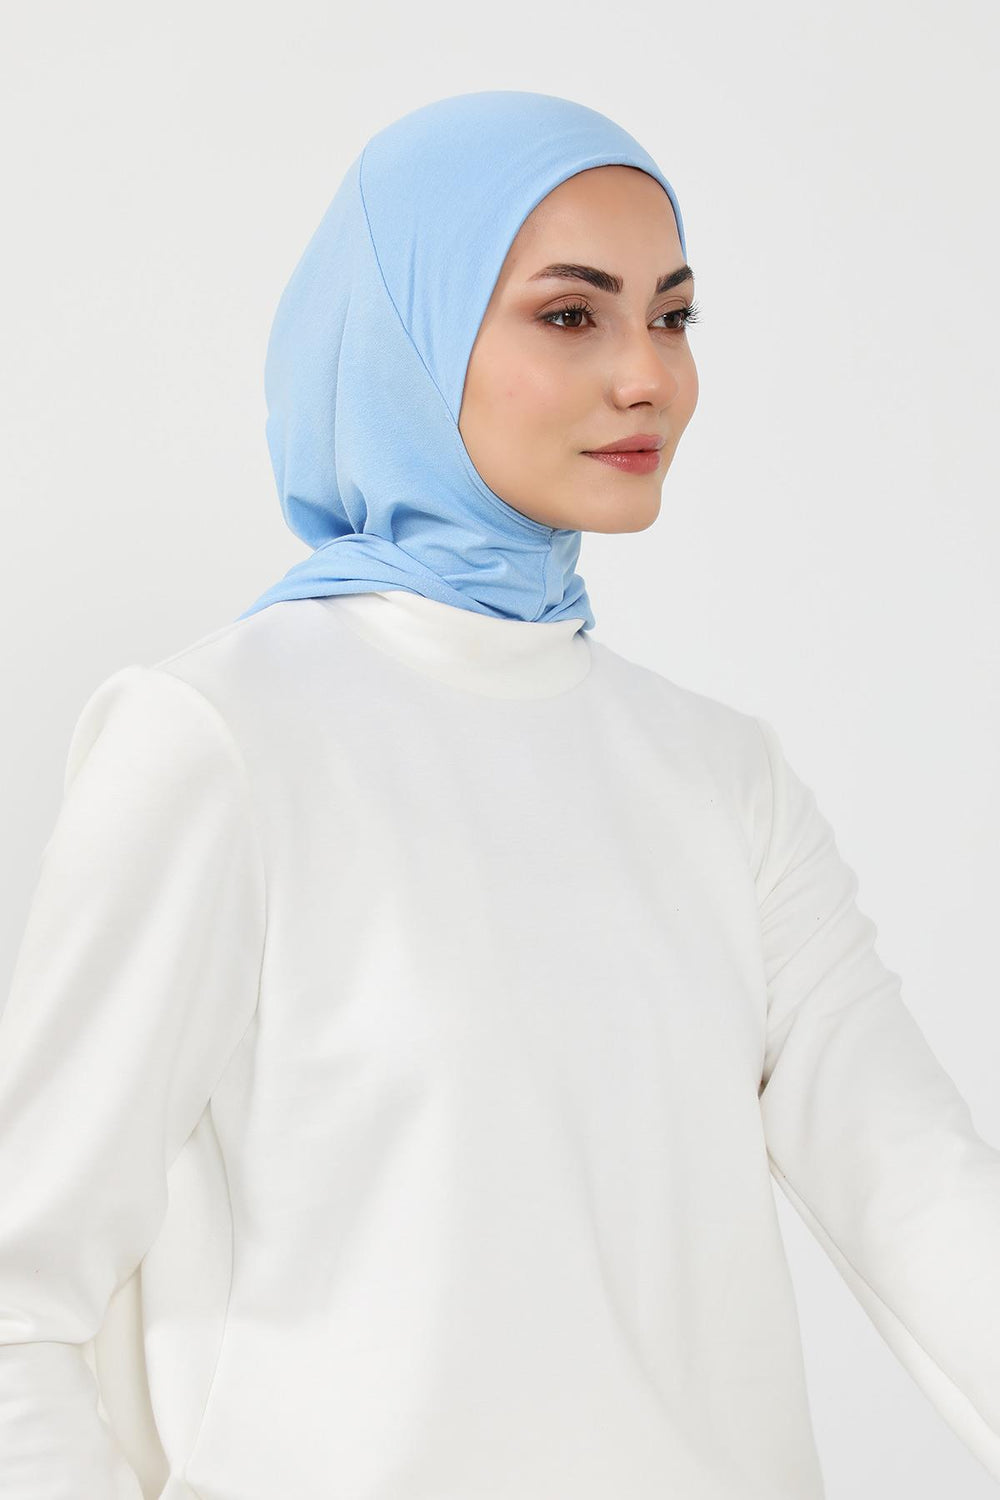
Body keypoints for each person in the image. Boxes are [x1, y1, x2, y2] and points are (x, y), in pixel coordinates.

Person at [0, 88, 997, 1500]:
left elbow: (919, 1194)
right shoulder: (219, 739)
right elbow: (20, 1292)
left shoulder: (721, 777)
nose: (648, 375)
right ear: (405, 336)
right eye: (571, 314)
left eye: (673, 316)